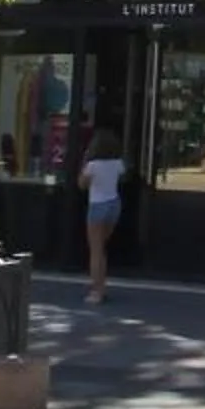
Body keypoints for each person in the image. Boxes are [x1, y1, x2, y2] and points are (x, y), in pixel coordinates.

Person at [77, 124, 125, 302]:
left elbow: (82, 184)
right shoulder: (117, 163)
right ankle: (101, 286)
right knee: (101, 248)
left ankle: (97, 291)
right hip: (114, 205)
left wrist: (84, 162)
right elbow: (121, 175)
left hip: (97, 206)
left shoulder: (92, 165)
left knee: (95, 251)